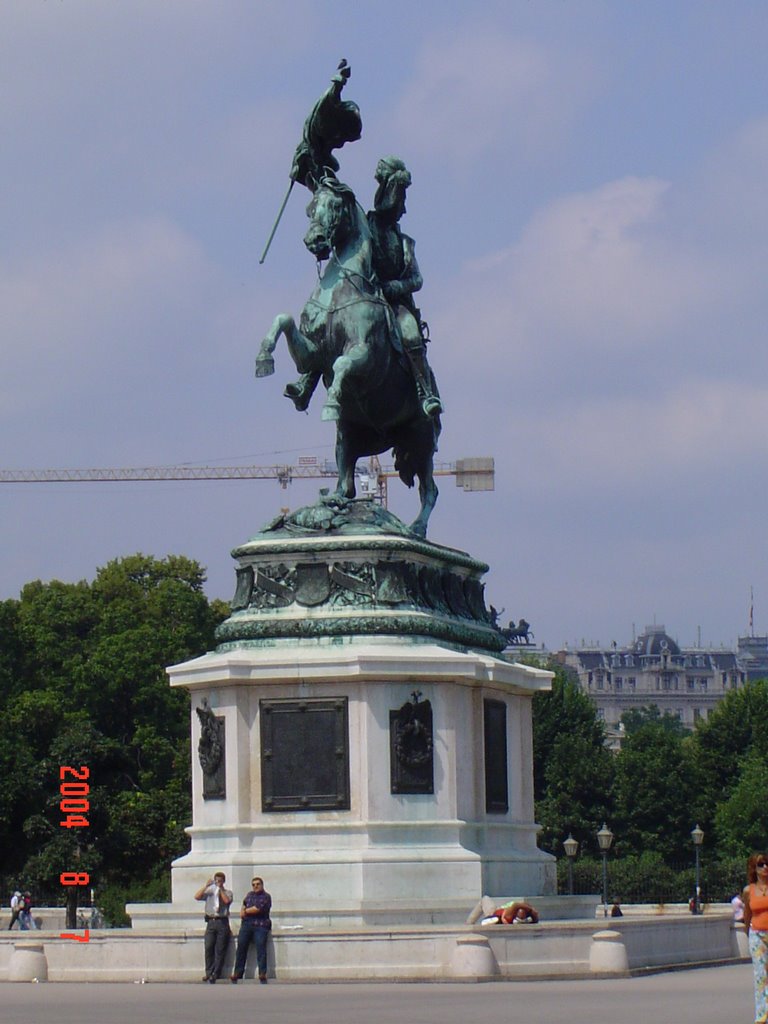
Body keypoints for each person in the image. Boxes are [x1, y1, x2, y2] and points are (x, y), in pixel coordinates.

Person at [230, 877, 272, 984]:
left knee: (261, 947)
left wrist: (245, 911)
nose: (255, 886)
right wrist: (243, 911)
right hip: (247, 925)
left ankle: (262, 973)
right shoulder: (249, 895)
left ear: (262, 885)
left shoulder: (266, 896)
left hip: (260, 925)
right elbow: (244, 904)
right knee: (241, 948)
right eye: (253, 884)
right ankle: (238, 973)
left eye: (258, 884)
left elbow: (258, 908)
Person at [742, 851, 768, 1024]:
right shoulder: (748, 891)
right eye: (761, 864)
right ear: (754, 868)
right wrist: (748, 932)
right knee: (761, 977)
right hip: (757, 935)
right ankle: (762, 1016)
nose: (765, 867)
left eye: (767, 863)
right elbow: (747, 915)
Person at [194, 872, 233, 983]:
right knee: (209, 947)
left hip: (222, 921)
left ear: (223, 881)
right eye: (216, 881)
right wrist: (207, 886)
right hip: (211, 921)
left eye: (220, 881)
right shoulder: (210, 893)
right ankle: (208, 972)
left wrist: (220, 889)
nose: (218, 883)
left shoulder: (228, 892)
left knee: (220, 949)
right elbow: (197, 896)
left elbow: (226, 901)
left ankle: (216, 972)